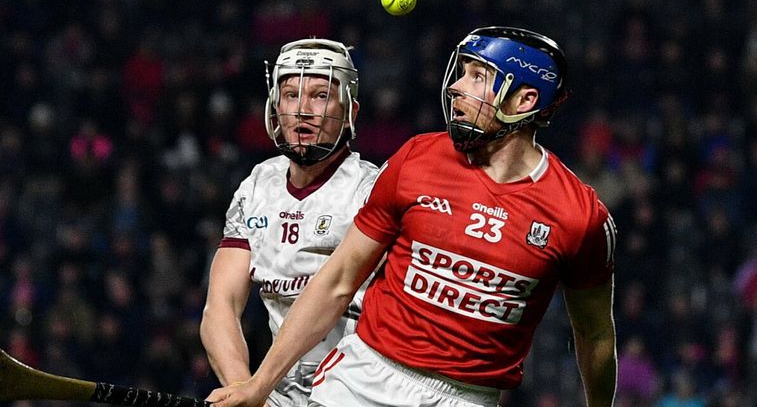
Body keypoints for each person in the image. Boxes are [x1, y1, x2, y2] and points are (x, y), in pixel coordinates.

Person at [206, 26, 618, 407]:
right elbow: (338, 280)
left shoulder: (579, 217)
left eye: (477, 77)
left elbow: (596, 333)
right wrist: (259, 386)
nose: (456, 87)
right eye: (461, 73)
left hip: (468, 397)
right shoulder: (417, 158)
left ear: (525, 100)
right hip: (362, 377)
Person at [199, 38, 379, 407]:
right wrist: (245, 389)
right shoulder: (256, 187)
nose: (302, 110)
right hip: (280, 390)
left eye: (319, 96)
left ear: (350, 111)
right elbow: (220, 306)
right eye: (291, 94)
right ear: (274, 107)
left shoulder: (371, 190)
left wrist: (259, 387)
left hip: (363, 389)